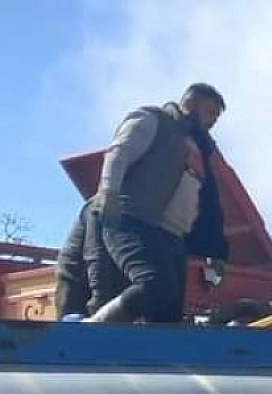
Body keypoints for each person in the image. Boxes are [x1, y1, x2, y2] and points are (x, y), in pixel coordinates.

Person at [83, 83, 230, 324]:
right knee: (155, 284)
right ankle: (95, 328)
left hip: (172, 236)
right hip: (134, 219)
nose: (213, 121)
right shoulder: (153, 120)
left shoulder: (200, 150)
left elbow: (208, 202)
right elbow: (119, 153)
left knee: (169, 311)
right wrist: (109, 193)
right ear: (190, 104)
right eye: (210, 112)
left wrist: (213, 251)